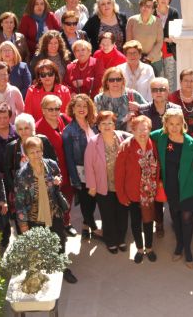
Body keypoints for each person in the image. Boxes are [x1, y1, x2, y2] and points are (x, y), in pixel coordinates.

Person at [14, 136, 77, 284]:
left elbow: (59, 176)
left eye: (38, 151)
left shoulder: (52, 165)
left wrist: (58, 181)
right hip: (35, 216)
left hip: (54, 212)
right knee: (39, 246)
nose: (36, 155)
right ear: (26, 155)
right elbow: (19, 202)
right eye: (32, 153)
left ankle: (63, 268)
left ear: (42, 151)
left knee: (60, 240)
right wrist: (23, 225)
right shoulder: (22, 175)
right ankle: (43, 274)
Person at [151, 108, 193, 268]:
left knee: (187, 219)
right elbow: (144, 135)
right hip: (171, 186)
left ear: (183, 124)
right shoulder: (161, 137)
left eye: (178, 124)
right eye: (171, 124)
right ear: (166, 124)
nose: (174, 127)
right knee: (175, 216)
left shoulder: (192, 143)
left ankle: (188, 250)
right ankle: (179, 245)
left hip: (189, 188)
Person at [137, 77, 181, 236]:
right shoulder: (143, 110)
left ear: (168, 91)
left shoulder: (176, 109)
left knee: (173, 190)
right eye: (155, 90)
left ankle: (176, 221)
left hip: (171, 156)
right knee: (155, 192)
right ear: (151, 92)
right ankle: (159, 222)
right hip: (151, 158)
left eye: (162, 89)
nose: (158, 93)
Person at [84, 111, 132, 254]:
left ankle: (121, 239)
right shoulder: (93, 142)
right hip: (103, 185)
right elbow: (88, 165)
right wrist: (92, 185)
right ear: (98, 126)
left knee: (123, 213)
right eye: (103, 123)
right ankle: (110, 240)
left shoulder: (121, 136)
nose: (107, 126)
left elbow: (137, 136)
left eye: (110, 123)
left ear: (114, 124)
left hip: (121, 185)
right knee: (108, 214)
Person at [115, 116, 160, 263]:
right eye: (138, 129)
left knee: (148, 221)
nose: (142, 132)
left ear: (149, 130)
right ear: (132, 130)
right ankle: (140, 249)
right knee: (135, 222)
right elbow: (119, 173)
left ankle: (149, 247)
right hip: (133, 193)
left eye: (145, 129)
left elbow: (158, 168)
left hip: (149, 193)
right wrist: (121, 195)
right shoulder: (126, 147)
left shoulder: (153, 145)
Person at [4, 113, 57, 230]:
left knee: (52, 226)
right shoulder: (11, 147)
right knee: (29, 229)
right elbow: (7, 171)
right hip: (24, 195)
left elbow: (54, 162)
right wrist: (15, 189)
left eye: (26, 128)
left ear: (32, 128)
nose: (23, 132)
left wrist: (55, 180)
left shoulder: (42, 140)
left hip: (45, 190)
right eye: (20, 129)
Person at [35, 95, 75, 236]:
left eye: (57, 108)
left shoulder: (63, 119)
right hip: (52, 171)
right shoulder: (38, 128)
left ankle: (66, 222)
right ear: (43, 110)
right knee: (54, 199)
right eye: (50, 109)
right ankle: (56, 227)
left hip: (68, 167)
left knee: (68, 196)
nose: (54, 112)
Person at [62, 94, 102, 238]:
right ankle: (94, 227)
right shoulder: (68, 131)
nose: (81, 109)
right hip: (81, 171)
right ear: (72, 108)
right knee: (86, 200)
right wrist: (75, 179)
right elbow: (69, 158)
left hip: (96, 169)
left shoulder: (94, 125)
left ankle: (85, 225)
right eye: (78, 105)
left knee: (92, 200)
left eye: (85, 106)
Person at [94, 67, 147, 131]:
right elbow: (98, 122)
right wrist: (124, 119)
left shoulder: (132, 94)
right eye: (111, 80)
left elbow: (149, 110)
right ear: (107, 82)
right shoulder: (99, 99)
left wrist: (139, 107)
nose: (115, 82)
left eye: (118, 79)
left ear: (123, 81)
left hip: (131, 136)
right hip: (108, 137)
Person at [126, 0, 164, 77]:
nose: (145, 8)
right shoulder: (132, 20)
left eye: (148, 6)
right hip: (136, 59)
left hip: (154, 60)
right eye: (143, 5)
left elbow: (159, 42)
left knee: (155, 86)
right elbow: (129, 43)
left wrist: (149, 58)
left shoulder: (158, 22)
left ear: (153, 10)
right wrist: (138, 57)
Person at [154, 0, 179, 89]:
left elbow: (177, 30)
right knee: (159, 80)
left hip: (169, 51)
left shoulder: (173, 12)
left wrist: (170, 39)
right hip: (156, 51)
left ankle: (170, 103)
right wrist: (163, 38)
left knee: (170, 81)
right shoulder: (152, 12)